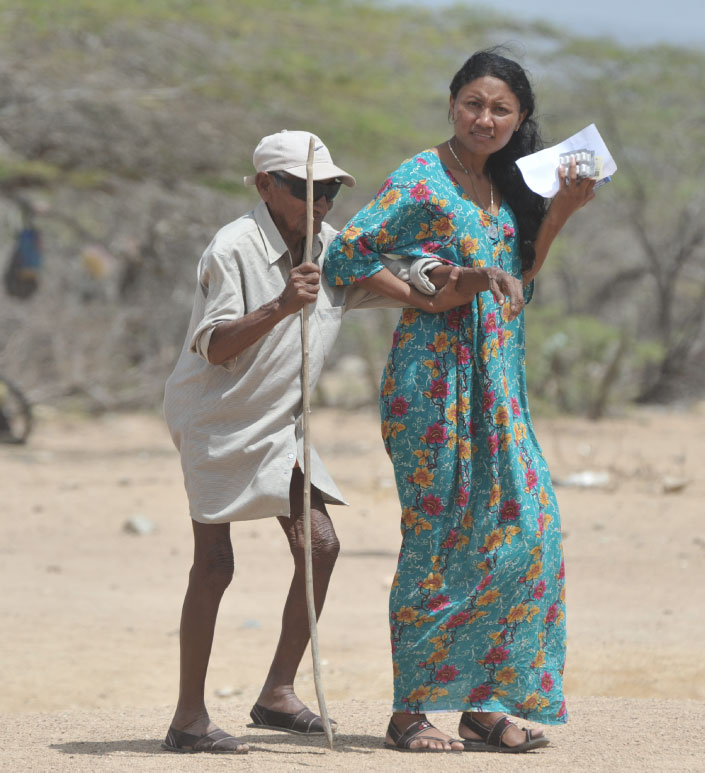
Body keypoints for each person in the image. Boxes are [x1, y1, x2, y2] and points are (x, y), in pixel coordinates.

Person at [160, 130, 480, 754]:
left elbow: (412, 289)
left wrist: (451, 276)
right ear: (265, 187)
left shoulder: (334, 249)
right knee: (216, 564)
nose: (321, 201)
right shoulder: (232, 248)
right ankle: (187, 720)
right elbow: (217, 346)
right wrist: (281, 306)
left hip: (282, 423)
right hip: (216, 417)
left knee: (321, 545)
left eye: (329, 188)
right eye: (306, 189)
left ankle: (276, 693)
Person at [324, 49, 596, 753]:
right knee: (441, 543)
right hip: (432, 384)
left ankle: (483, 703)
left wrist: (561, 208)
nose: (485, 118)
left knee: (527, 532)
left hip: (498, 386)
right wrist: (420, 294)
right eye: (473, 104)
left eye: (500, 108)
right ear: (452, 106)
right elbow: (344, 255)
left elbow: (519, 280)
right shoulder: (421, 178)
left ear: (520, 119)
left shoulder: (508, 184)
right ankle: (410, 710)